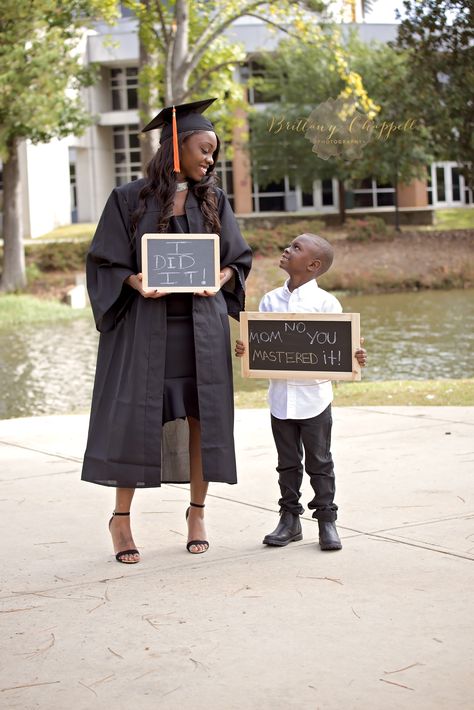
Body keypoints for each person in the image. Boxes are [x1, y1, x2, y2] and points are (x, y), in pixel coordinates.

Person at [82, 98, 252, 563]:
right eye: (204, 149)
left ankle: (197, 513)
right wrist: (136, 281)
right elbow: (104, 260)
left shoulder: (213, 200)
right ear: (177, 149)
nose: (211, 159)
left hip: (201, 329)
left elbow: (237, 258)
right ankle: (121, 519)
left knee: (204, 421)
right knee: (137, 419)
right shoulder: (128, 199)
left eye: (214, 152)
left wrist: (220, 278)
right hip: (146, 329)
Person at [235, 233, 366, 551]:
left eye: (296, 248)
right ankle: (289, 521)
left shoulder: (326, 304)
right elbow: (261, 346)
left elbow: (341, 349)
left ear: (313, 264)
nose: (287, 250)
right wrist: (246, 348)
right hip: (280, 398)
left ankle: (326, 521)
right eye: (290, 245)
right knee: (287, 463)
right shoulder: (269, 301)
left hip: (314, 398)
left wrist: (355, 355)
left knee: (320, 462)